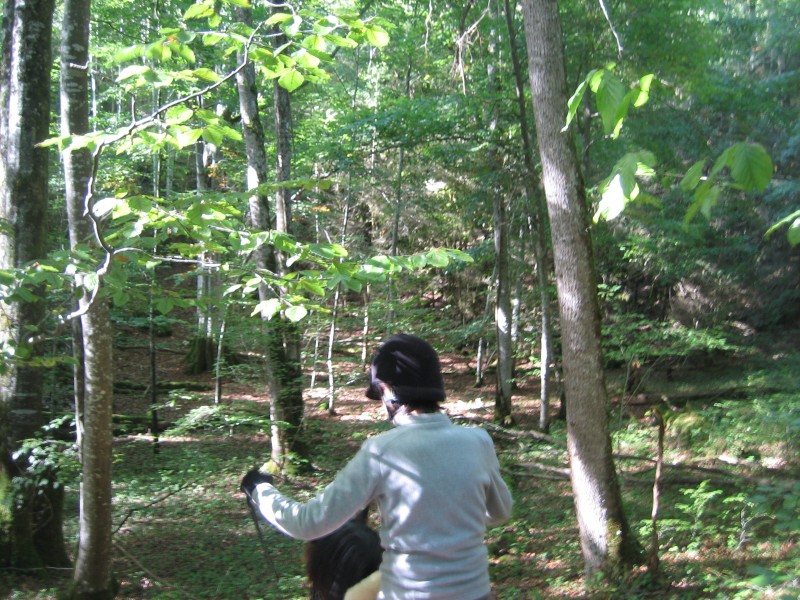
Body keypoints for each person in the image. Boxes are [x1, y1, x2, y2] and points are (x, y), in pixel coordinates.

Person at [240, 333, 513, 600]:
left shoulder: (382, 450)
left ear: (388, 390)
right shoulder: (478, 440)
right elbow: (500, 511)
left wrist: (259, 490)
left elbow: (308, 522)